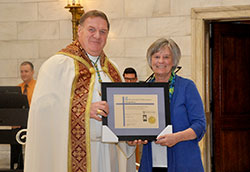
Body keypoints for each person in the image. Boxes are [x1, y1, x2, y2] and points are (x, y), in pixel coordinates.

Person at [24, 10, 135, 172]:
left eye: (102, 31)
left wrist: (129, 137)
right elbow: (41, 111)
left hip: (109, 153)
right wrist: (82, 110)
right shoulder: (57, 65)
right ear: (79, 31)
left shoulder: (113, 70)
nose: (97, 35)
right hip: (70, 155)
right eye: (92, 29)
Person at [139, 38, 206, 172]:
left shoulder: (187, 86)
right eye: (156, 56)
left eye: (166, 57)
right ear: (150, 60)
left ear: (173, 61)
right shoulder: (143, 89)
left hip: (184, 161)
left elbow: (199, 125)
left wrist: (176, 137)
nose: (161, 61)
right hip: (151, 162)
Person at [11, 61, 36, 170]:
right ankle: (17, 165)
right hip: (20, 121)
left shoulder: (38, 86)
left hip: (33, 122)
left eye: (26, 71)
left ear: (32, 72)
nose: (23, 74)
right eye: (22, 72)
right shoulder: (18, 88)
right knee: (13, 134)